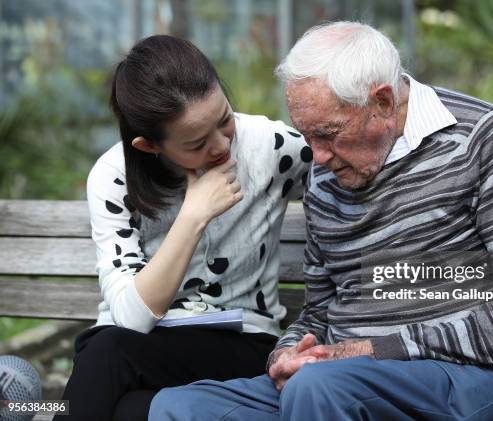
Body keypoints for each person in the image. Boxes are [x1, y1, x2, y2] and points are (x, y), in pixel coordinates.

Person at [149, 21, 493, 421]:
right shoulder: (326, 171)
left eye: (328, 133)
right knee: (179, 406)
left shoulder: (478, 136)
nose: (317, 156)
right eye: (307, 136)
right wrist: (288, 353)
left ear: (381, 103)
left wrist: (368, 351)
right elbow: (320, 312)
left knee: (319, 387)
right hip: (333, 381)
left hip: (464, 376)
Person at [56, 35, 312, 421]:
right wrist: (193, 216)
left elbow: (343, 175)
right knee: (128, 409)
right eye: (196, 143)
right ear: (147, 146)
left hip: (243, 343)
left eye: (224, 120)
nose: (221, 145)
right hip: (145, 344)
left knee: (106, 355)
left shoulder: (270, 146)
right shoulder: (114, 178)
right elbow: (132, 318)